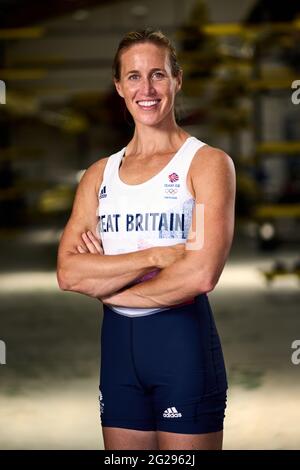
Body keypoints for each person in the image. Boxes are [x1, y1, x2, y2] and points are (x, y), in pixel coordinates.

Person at [57, 28, 236, 450]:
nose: (147, 88)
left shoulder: (207, 165)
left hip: (183, 350)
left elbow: (200, 275)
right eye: (134, 77)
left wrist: (108, 287)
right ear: (119, 87)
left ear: (177, 79)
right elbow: (69, 272)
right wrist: (155, 255)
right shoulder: (99, 175)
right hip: (118, 357)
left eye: (157, 74)